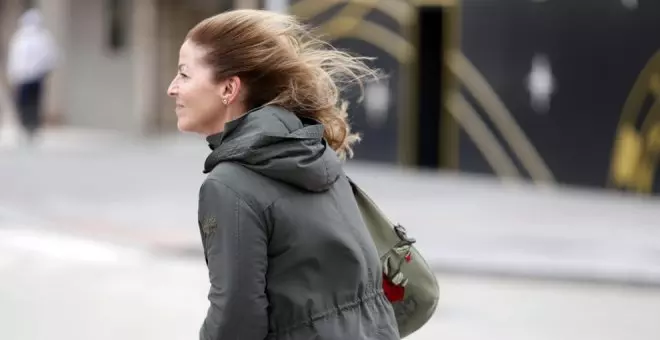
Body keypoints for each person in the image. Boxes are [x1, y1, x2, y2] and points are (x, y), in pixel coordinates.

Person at [167, 9, 400, 340]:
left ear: (228, 89)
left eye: (184, 75)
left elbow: (236, 323)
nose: (172, 89)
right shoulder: (312, 150)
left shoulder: (229, 185)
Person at [6, 8, 58, 143]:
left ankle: (33, 127)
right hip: (22, 78)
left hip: (36, 77)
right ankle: (25, 127)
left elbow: (50, 56)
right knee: (23, 103)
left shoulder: (43, 38)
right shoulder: (19, 38)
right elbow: (14, 58)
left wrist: (45, 70)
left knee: (34, 103)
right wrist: (13, 74)